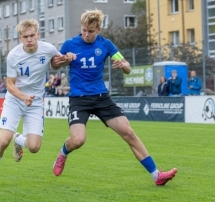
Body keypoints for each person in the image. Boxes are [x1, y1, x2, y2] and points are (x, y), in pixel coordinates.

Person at [51, 9, 177, 186]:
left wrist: (123, 65)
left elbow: (127, 67)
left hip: (102, 98)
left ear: (99, 30)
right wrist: (65, 60)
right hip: (79, 99)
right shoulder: (70, 44)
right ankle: (63, 152)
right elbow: (55, 66)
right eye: (84, 30)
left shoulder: (106, 44)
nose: (86, 34)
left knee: (129, 133)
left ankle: (157, 175)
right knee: (78, 140)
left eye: (91, 31)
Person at [0, 19, 71, 187]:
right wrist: (23, 97)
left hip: (35, 103)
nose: (29, 39)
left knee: (34, 147)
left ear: (38, 35)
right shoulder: (14, 56)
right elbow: (10, 84)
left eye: (32, 35)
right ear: (20, 38)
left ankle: (18, 139)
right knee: (3, 140)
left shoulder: (48, 49)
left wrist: (68, 59)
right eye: (25, 36)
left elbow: (56, 65)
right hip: (15, 100)